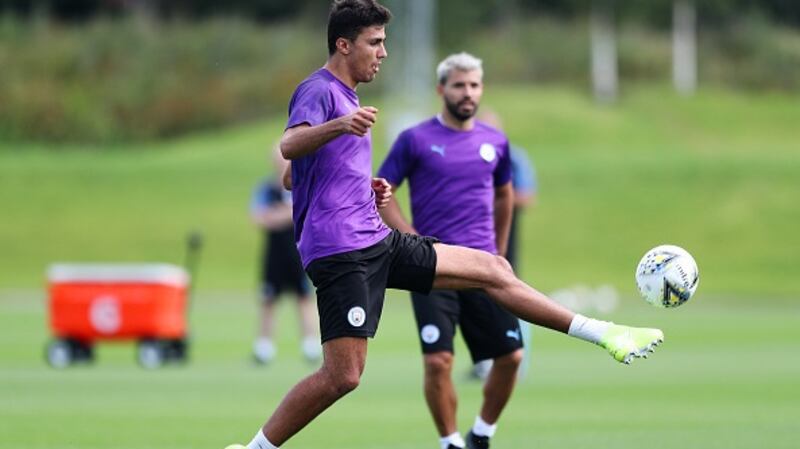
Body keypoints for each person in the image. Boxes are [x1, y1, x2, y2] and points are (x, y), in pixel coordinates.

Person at [226, 2, 664, 448]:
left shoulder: (350, 99)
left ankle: (607, 333)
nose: (383, 52)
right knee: (344, 376)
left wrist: (365, 189)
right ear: (343, 44)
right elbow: (289, 146)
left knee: (494, 269)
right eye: (374, 42)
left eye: (384, 42)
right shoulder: (320, 91)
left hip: (375, 239)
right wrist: (340, 126)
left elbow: (293, 176)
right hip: (342, 252)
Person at [376, 52, 524, 449]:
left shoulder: (496, 143)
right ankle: (450, 441)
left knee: (511, 358)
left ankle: (482, 434)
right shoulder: (415, 140)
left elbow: (504, 196)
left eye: (474, 85)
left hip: (481, 268)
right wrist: (411, 240)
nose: (467, 92)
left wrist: (500, 251)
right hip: (435, 268)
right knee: (438, 361)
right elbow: (381, 193)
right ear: (442, 89)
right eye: (459, 85)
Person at [470, 109, 538, 382]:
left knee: (512, 292)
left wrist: (495, 198)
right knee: (475, 297)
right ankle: (485, 360)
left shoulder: (514, 158)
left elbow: (527, 197)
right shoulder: (465, 157)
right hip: (470, 236)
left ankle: (518, 358)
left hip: (504, 235)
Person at [250, 146, 320, 364]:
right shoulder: (265, 188)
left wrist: (279, 214)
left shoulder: (300, 184)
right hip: (273, 253)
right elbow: (259, 217)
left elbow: (302, 212)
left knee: (303, 298)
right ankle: (264, 347)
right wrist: (285, 213)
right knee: (268, 299)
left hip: (298, 251)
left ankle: (311, 345)